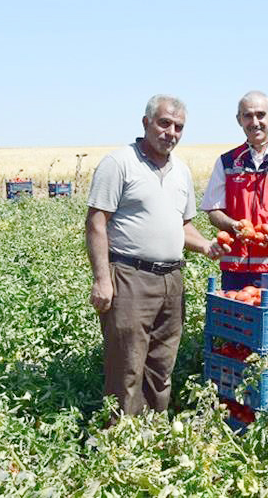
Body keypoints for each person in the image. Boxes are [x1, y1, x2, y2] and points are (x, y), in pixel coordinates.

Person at [86, 94, 228, 416]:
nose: (171, 132)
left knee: (161, 367)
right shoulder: (120, 163)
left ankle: (152, 436)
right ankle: (118, 444)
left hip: (171, 280)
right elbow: (96, 223)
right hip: (131, 278)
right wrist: (102, 280)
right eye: (164, 123)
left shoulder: (182, 172)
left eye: (178, 127)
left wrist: (206, 245)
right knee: (127, 367)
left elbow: (183, 226)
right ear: (146, 123)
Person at [201, 91, 268, 291]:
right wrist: (234, 226)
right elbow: (213, 210)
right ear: (239, 120)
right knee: (236, 321)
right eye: (247, 115)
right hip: (236, 266)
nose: (255, 121)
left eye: (260, 115)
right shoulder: (227, 162)